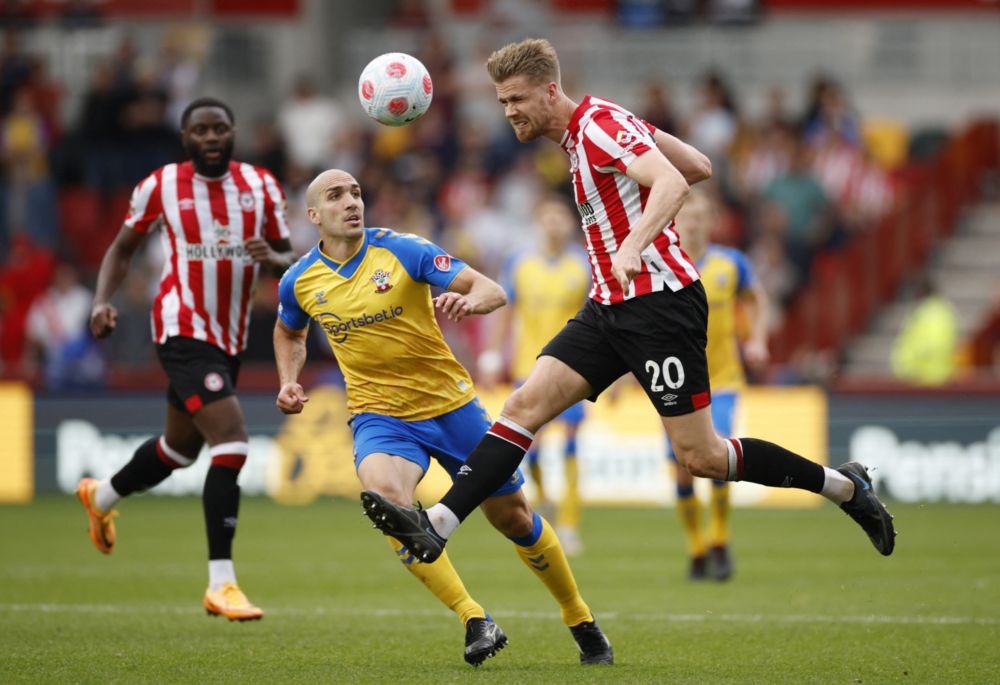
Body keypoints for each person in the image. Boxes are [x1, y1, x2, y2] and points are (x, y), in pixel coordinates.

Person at [359, 38, 895, 573]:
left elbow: (671, 181)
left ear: (550, 90)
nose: (509, 113)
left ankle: (844, 487)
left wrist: (634, 243)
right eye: (502, 102)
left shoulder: (595, 127)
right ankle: (439, 525)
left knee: (701, 457)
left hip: (660, 305)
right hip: (610, 306)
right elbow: (698, 164)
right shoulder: (588, 130)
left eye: (517, 99)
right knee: (523, 408)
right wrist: (638, 138)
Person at [273, 169, 613, 667]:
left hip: (450, 408)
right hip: (378, 415)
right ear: (313, 216)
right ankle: (473, 618)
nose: (351, 202)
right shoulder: (299, 280)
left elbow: (492, 289)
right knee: (388, 504)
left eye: (357, 193)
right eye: (336, 195)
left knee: (513, 516)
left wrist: (471, 302)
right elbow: (289, 333)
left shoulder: (404, 250)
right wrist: (288, 378)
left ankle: (579, 616)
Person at [76, 97, 294, 622]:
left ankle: (101, 495)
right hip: (181, 325)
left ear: (234, 131)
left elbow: (290, 257)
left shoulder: (261, 186)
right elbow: (123, 247)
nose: (212, 137)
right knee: (233, 440)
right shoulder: (162, 185)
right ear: (185, 138)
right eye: (201, 130)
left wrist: (275, 258)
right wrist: (102, 300)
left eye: (220, 128)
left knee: (179, 450)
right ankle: (222, 583)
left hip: (230, 336)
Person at [667, 189, 770, 581]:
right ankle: (696, 549)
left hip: (722, 381)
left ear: (713, 221)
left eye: (700, 216)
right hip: (675, 380)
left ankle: (720, 542)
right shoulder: (662, 264)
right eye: (685, 216)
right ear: (674, 220)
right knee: (681, 467)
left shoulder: (731, 263)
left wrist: (757, 339)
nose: (692, 222)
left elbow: (756, 298)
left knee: (720, 453)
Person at [478, 195, 591, 555]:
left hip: (574, 368)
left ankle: (570, 526)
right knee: (536, 451)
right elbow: (506, 310)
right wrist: (494, 353)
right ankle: (544, 499)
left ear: (569, 224)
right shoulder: (519, 263)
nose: (555, 224)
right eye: (549, 217)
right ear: (539, 222)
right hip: (530, 367)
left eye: (561, 217)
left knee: (572, 446)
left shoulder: (584, 264)